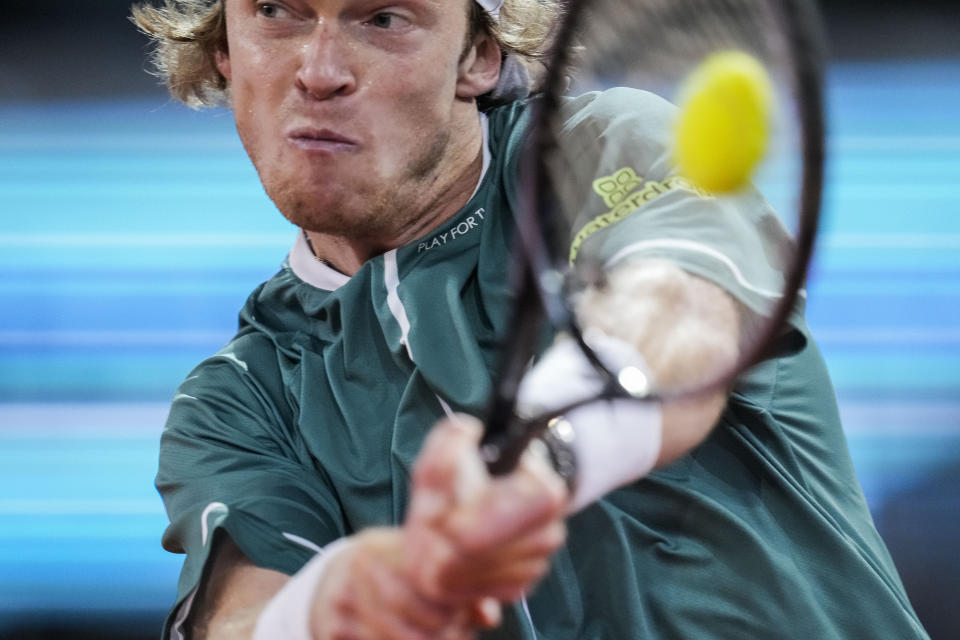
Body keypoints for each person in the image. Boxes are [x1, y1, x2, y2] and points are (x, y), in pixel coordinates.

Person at [132, 0, 930, 638]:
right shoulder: (232, 404)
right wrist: (334, 611)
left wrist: (547, 454)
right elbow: (244, 619)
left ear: (478, 55)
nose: (320, 70)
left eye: (384, 18)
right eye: (276, 11)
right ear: (225, 53)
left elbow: (680, 316)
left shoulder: (602, 147)